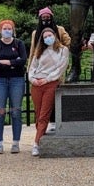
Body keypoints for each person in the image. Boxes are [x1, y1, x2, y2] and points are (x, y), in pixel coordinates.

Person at [27, 26, 69, 156]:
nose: (47, 38)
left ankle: (36, 143)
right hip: (36, 84)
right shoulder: (39, 51)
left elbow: (61, 68)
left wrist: (48, 79)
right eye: (45, 37)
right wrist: (33, 79)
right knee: (38, 113)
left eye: (49, 36)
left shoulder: (63, 50)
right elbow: (32, 67)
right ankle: (40, 136)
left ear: (55, 36)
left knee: (44, 114)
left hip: (50, 83)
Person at [0, 18, 28, 154]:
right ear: (0, 31)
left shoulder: (19, 44)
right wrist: (13, 62)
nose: (7, 31)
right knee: (0, 112)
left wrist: (6, 62)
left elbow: (23, 60)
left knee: (16, 111)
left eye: (9, 28)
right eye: (4, 29)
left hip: (16, 79)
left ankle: (16, 142)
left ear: (13, 30)